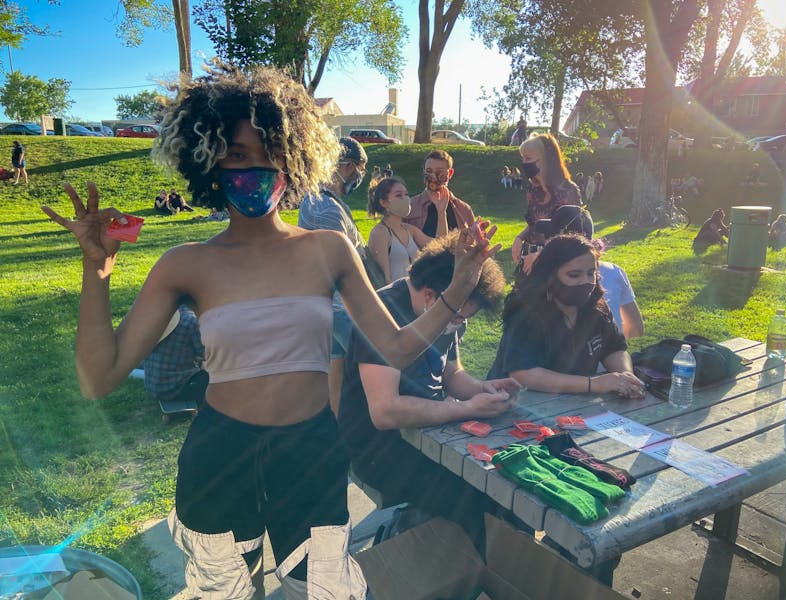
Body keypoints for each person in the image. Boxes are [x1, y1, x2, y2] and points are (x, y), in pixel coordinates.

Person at [41, 64, 498, 600]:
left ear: (293, 160)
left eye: (269, 154)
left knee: (323, 591)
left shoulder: (328, 249)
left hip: (312, 452)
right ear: (209, 161)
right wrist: (96, 269)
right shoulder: (185, 264)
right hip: (220, 456)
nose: (254, 168)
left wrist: (458, 288)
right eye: (237, 155)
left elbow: (395, 349)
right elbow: (99, 377)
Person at [338, 233, 519, 549]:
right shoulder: (384, 313)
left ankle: (471, 556)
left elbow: (451, 373)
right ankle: (407, 538)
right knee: (472, 496)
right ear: (430, 296)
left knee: (504, 484)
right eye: (458, 316)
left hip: (431, 434)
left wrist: (483, 388)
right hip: (378, 448)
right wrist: (466, 408)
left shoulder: (446, 308)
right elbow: (385, 411)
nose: (459, 323)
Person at [488, 235, 645, 398]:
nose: (585, 282)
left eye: (591, 273)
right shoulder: (526, 312)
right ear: (550, 276)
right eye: (574, 275)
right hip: (513, 401)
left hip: (574, 403)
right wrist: (594, 384)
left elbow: (615, 349)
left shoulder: (597, 309)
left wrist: (625, 376)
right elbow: (523, 373)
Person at [298, 136, 371, 416]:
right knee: (377, 358)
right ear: (347, 166)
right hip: (337, 306)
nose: (359, 175)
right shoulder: (326, 209)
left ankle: (338, 426)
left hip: (328, 304)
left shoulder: (323, 201)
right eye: (359, 168)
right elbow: (339, 266)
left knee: (336, 372)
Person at [514, 205, 643, 339]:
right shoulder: (615, 271)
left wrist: (534, 269)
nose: (544, 241)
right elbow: (636, 328)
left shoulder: (544, 274)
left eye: (549, 237)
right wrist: (612, 347)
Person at [511, 133, 581, 265]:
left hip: (558, 262)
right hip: (530, 257)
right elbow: (533, 225)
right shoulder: (532, 190)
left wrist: (542, 254)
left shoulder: (569, 191)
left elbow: (574, 235)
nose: (524, 163)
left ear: (545, 160)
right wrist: (519, 238)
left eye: (528, 158)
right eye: (523, 158)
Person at [367, 176, 431, 283]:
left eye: (406, 194)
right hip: (396, 292)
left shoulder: (409, 229)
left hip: (415, 291)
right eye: (398, 195)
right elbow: (384, 279)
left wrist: (441, 212)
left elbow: (439, 246)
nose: (406, 199)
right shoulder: (380, 232)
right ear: (384, 203)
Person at [142, 304, 208, 409]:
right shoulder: (191, 321)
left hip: (152, 386)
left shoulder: (159, 314)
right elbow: (207, 354)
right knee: (214, 375)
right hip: (174, 389)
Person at [405, 149, 475, 238]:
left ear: (450, 173)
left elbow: (473, 242)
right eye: (429, 171)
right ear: (424, 172)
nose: (433, 176)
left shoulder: (464, 210)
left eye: (439, 172)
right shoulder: (410, 207)